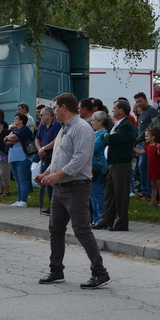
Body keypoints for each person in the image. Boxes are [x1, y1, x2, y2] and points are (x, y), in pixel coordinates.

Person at [35, 93, 111, 289]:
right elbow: (59, 157)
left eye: (55, 107)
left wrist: (57, 175)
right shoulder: (64, 129)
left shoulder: (82, 128)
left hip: (76, 186)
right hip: (60, 187)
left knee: (81, 229)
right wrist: (46, 174)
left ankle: (99, 272)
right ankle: (56, 270)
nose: (52, 111)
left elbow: (79, 158)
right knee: (55, 229)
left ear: (63, 108)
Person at [93, 100, 134, 231]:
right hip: (112, 163)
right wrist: (107, 137)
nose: (112, 110)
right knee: (109, 193)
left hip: (121, 164)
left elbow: (111, 139)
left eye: (114, 108)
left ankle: (122, 223)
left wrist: (107, 137)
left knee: (121, 194)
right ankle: (106, 220)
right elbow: (105, 138)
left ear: (121, 110)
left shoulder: (126, 125)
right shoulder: (116, 125)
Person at [35, 106, 62, 215]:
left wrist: (45, 148)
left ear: (48, 115)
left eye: (41, 115)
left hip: (53, 157)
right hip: (44, 156)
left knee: (52, 182)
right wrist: (39, 149)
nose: (40, 116)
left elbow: (57, 140)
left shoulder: (57, 125)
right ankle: (51, 205)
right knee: (45, 182)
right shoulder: (42, 125)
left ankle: (56, 207)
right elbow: (37, 139)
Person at [4, 113, 34, 207]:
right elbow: (5, 140)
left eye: (16, 118)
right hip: (13, 157)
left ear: (22, 120)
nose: (15, 120)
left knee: (22, 179)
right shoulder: (15, 129)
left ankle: (23, 200)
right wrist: (8, 138)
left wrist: (9, 139)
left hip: (22, 158)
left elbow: (15, 138)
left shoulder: (25, 130)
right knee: (17, 180)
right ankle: (19, 199)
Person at [90, 111, 111, 225]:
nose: (91, 122)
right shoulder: (95, 133)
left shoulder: (102, 134)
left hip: (98, 166)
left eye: (93, 120)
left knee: (98, 192)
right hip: (92, 166)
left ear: (100, 121)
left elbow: (92, 149)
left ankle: (100, 217)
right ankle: (95, 217)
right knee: (93, 193)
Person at [138, 126, 160, 207]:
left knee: (159, 185)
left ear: (153, 137)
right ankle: (153, 201)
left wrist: (159, 149)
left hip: (157, 168)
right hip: (151, 168)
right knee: (153, 185)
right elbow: (140, 152)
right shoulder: (148, 146)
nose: (145, 138)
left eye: (147, 136)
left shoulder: (157, 145)